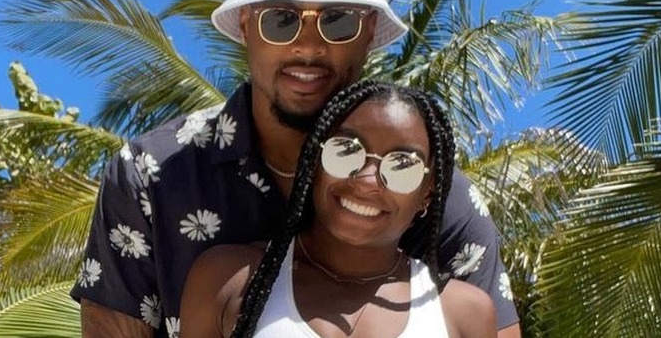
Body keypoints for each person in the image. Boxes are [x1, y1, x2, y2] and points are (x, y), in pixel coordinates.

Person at [71, 0, 520, 338]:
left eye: (338, 20)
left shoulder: (444, 197)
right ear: (246, 26)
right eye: (281, 20)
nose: (308, 46)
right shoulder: (152, 174)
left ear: (368, 34)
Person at [180, 81, 497, 337]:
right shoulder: (226, 280)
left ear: (428, 193)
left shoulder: (462, 313)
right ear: (313, 164)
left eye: (402, 165)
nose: (367, 180)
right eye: (345, 150)